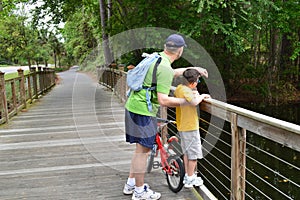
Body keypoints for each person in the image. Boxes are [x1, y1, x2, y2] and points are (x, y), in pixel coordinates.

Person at [123, 34, 208, 200]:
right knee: (143, 152)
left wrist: (193, 69)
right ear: (180, 50)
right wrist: (188, 101)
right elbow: (163, 100)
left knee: (140, 150)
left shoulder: (158, 58)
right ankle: (139, 192)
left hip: (133, 106)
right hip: (143, 111)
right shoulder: (164, 67)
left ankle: (131, 184)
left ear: (166, 47)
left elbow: (169, 73)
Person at [174, 68, 210, 188]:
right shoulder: (187, 92)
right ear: (193, 83)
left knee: (186, 152)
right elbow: (194, 102)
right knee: (193, 154)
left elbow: (188, 96)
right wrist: (203, 96)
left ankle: (188, 175)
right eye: (198, 82)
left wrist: (194, 93)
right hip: (190, 127)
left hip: (182, 126)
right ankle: (190, 178)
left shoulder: (180, 89)